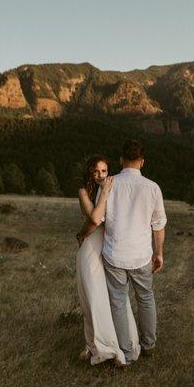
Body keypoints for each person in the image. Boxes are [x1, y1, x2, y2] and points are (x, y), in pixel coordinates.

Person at [100, 139, 167, 365]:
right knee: (146, 299)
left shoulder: (109, 184)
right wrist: (159, 254)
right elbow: (158, 225)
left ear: (121, 160)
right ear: (142, 162)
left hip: (114, 253)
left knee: (118, 302)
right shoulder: (153, 187)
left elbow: (99, 218)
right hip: (141, 255)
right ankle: (149, 345)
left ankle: (126, 353)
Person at [75, 155, 140, 366]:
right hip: (92, 248)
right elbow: (93, 219)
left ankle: (120, 343)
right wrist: (104, 193)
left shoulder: (113, 187)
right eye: (96, 172)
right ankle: (97, 345)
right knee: (93, 296)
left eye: (104, 171)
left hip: (110, 247)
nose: (101, 176)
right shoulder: (84, 192)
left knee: (113, 297)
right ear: (90, 173)